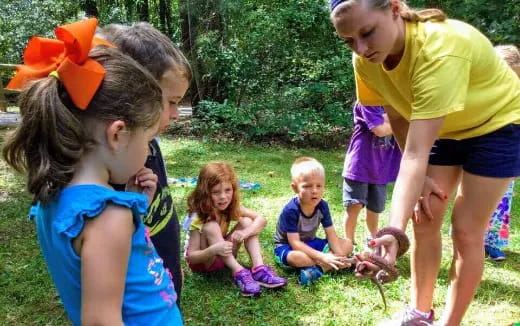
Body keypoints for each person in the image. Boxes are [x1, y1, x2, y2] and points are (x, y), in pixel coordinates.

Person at [330, 1, 520, 325]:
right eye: (349, 41)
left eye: (367, 33)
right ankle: (419, 315)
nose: (360, 48)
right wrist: (417, 186)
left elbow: (418, 154)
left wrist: (391, 230)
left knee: (465, 231)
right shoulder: (366, 61)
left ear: (393, 8)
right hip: (444, 127)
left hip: (497, 125)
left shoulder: (439, 49)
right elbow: (397, 114)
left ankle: (449, 323)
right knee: (425, 220)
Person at [2, 19, 182, 325]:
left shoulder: (56, 197)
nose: (148, 152)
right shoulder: (108, 216)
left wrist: (136, 203)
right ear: (117, 134)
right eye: (148, 139)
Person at [98, 22, 192, 305]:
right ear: (133, 97)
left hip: (162, 276)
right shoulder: (109, 165)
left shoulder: (148, 142)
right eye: (171, 102)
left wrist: (172, 266)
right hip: (138, 297)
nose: (176, 114)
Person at [184, 162, 287, 297]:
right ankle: (239, 272)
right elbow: (191, 257)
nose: (223, 197)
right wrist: (213, 250)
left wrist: (245, 232)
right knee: (211, 225)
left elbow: (261, 219)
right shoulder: (196, 215)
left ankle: (259, 269)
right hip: (205, 262)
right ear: (205, 192)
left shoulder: (230, 206)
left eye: (228, 190)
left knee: (247, 222)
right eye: (216, 192)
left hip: (224, 255)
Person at [273, 157, 354, 285]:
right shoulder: (291, 210)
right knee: (296, 258)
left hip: (311, 243)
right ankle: (329, 264)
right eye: (307, 186)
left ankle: (318, 270)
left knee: (348, 244)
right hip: (287, 247)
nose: (314, 190)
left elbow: (331, 233)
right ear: (295, 188)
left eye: (319, 186)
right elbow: (295, 243)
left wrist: (339, 255)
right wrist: (322, 256)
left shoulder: (322, 206)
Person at [342, 103, 401, 248]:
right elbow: (380, 129)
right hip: (359, 166)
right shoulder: (366, 100)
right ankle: (348, 242)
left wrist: (390, 119)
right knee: (354, 205)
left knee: (375, 208)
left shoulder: (395, 101)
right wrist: (401, 120)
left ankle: (373, 237)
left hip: (381, 169)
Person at [484, 44, 520, 261]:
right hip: (478, 153)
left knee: (502, 201)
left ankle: (493, 243)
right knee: (472, 201)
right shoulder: (482, 94)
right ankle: (473, 239)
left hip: (506, 155)